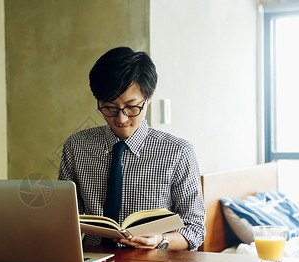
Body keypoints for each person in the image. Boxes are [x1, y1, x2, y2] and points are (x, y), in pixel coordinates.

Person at [58, 47, 206, 250]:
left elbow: (196, 229)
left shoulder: (178, 152)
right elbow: (63, 219)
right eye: (109, 107)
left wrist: (160, 240)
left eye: (132, 106)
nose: (121, 118)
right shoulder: (77, 147)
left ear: (150, 97)